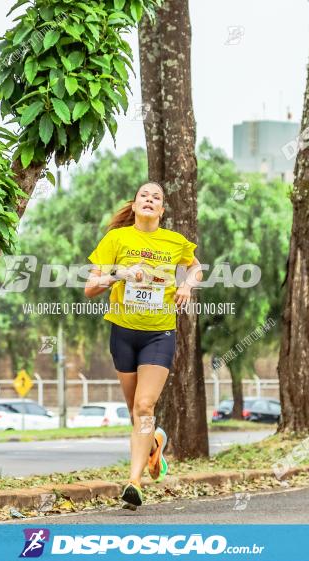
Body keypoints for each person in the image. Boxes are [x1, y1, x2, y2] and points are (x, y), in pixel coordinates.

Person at [84, 182, 203, 509]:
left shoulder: (174, 241)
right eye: (144, 196)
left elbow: (195, 267)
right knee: (136, 413)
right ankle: (155, 445)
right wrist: (121, 274)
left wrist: (188, 286)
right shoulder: (116, 239)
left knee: (144, 407)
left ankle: (134, 483)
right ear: (134, 206)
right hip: (123, 333)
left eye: (157, 198)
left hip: (159, 335)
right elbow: (90, 287)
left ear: (162, 210)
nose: (150, 200)